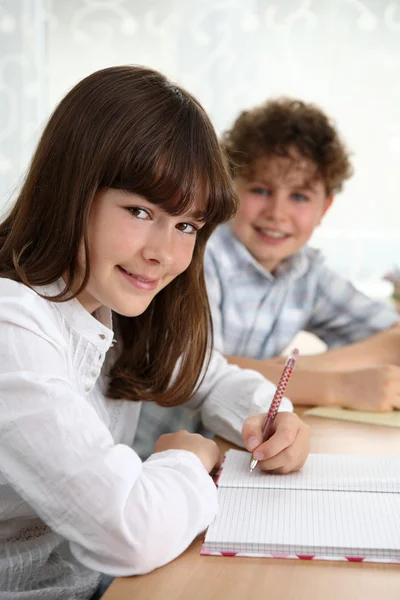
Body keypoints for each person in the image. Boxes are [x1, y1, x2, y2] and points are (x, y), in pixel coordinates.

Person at [0, 67, 310, 599]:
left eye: (186, 225)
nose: (163, 253)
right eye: (140, 211)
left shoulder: (112, 307)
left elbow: (213, 381)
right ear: (71, 190)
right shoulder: (13, 326)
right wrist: (192, 455)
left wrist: (266, 414)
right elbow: (129, 533)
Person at [133, 97, 400, 460]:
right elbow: (202, 370)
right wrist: (337, 385)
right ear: (229, 188)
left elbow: (394, 339)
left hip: (234, 452)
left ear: (325, 208)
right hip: (153, 456)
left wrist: (290, 371)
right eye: (260, 190)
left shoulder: (307, 272)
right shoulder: (197, 257)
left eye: (300, 196)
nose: (277, 213)